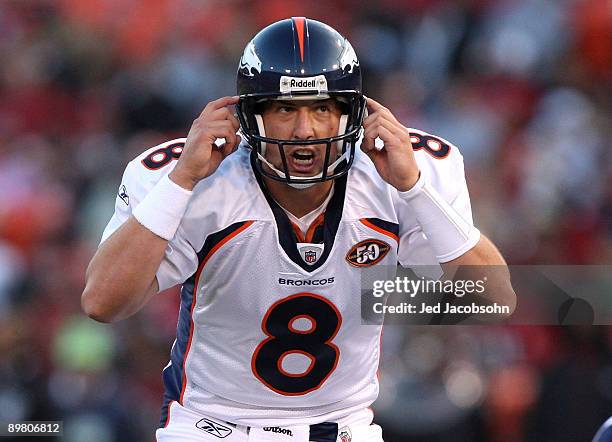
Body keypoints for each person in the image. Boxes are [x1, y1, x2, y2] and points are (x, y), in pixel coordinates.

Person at [82, 17, 513, 442]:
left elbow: (494, 299)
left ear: (352, 113)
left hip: (345, 427)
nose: (305, 131)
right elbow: (103, 301)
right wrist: (181, 181)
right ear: (249, 116)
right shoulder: (192, 176)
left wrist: (415, 188)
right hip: (211, 425)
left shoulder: (406, 169)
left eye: (322, 108)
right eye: (285, 109)